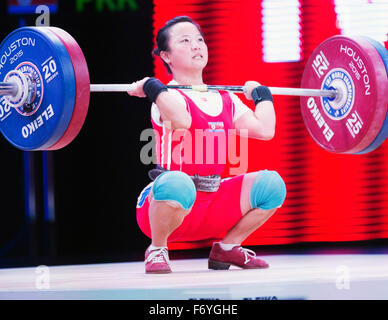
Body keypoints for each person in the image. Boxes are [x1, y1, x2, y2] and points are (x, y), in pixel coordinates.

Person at [128, 16, 286, 274]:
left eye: (199, 40)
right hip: (165, 205)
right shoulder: (166, 97)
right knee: (179, 182)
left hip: (209, 204)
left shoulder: (225, 99)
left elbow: (265, 130)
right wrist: (152, 86)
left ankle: (227, 248)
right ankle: (157, 249)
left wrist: (262, 96)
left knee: (272, 185)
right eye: (185, 41)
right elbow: (181, 120)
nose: (196, 46)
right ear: (166, 56)